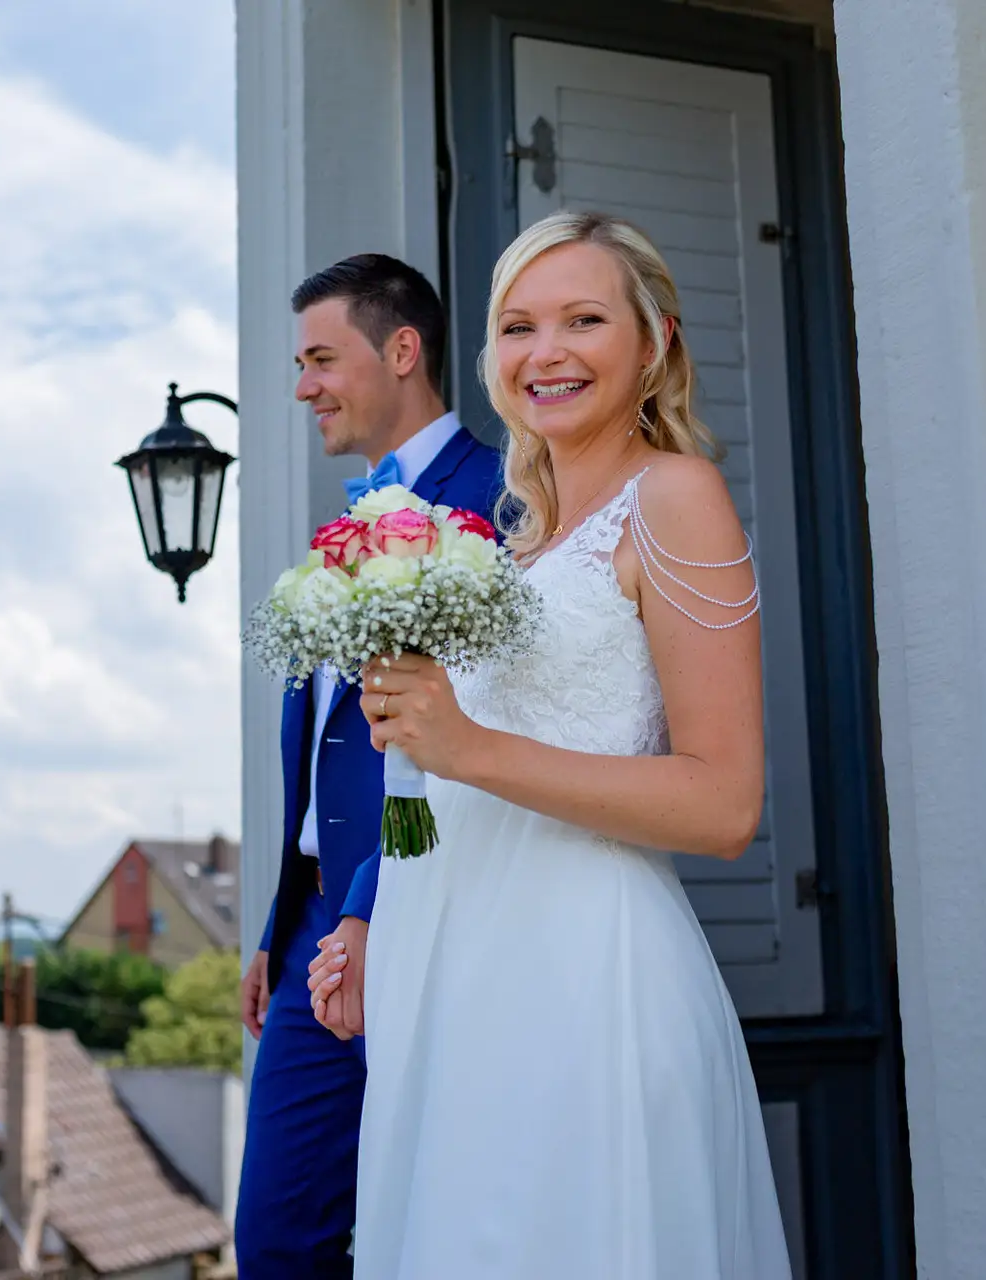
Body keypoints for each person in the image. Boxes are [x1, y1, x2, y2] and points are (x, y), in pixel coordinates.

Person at [309, 211, 792, 1277]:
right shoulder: (515, 542)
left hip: (582, 989)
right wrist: (369, 915)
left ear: (654, 339)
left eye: (584, 319)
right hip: (451, 992)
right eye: (519, 325)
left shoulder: (674, 496)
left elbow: (725, 804)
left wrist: (466, 745)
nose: (548, 351)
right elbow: (440, 777)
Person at [233, 253, 504, 1280]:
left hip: (423, 902)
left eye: (318, 357)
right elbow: (328, 746)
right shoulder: (344, 524)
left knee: (428, 1221)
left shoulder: (502, 503)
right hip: (314, 924)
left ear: (401, 349)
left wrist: (363, 903)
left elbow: (464, 742)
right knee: (279, 1237)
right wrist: (281, 915)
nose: (302, 385)